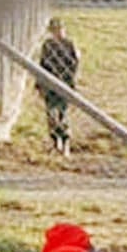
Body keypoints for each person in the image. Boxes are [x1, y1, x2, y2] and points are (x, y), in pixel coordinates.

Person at [37, 18, 80, 156]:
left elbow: (74, 65)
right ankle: (56, 142)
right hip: (50, 85)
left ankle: (65, 141)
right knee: (51, 114)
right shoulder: (48, 46)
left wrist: (72, 83)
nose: (58, 33)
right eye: (55, 30)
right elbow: (42, 65)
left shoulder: (69, 45)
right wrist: (40, 84)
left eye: (60, 29)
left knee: (63, 113)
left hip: (64, 83)